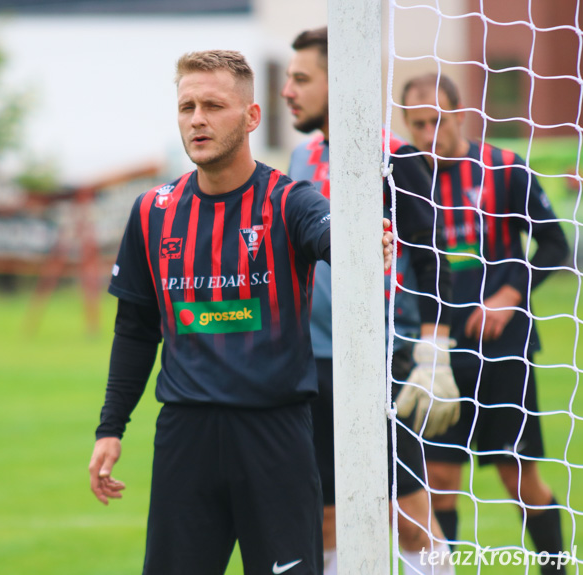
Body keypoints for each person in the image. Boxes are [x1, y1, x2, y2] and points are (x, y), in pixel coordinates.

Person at [88, 49, 395, 575]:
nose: (198, 119)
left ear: (251, 117)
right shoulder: (152, 211)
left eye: (213, 105)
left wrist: (364, 244)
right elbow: (136, 330)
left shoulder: (289, 201)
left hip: (275, 438)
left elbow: (330, 235)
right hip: (186, 437)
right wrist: (110, 427)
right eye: (187, 107)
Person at [282, 27, 459, 575]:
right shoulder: (299, 158)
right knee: (326, 516)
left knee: (406, 512)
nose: (288, 90)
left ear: (343, 83)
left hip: (384, 360)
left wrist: (433, 355)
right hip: (312, 366)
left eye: (301, 79)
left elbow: (434, 264)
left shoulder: (396, 160)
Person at [402, 73, 570, 574]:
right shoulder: (407, 180)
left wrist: (508, 295)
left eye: (439, 120)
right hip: (437, 352)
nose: (430, 133)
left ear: (461, 115)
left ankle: (556, 569)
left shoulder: (505, 169)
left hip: (503, 351)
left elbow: (556, 246)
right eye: (418, 125)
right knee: (439, 481)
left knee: (519, 478)